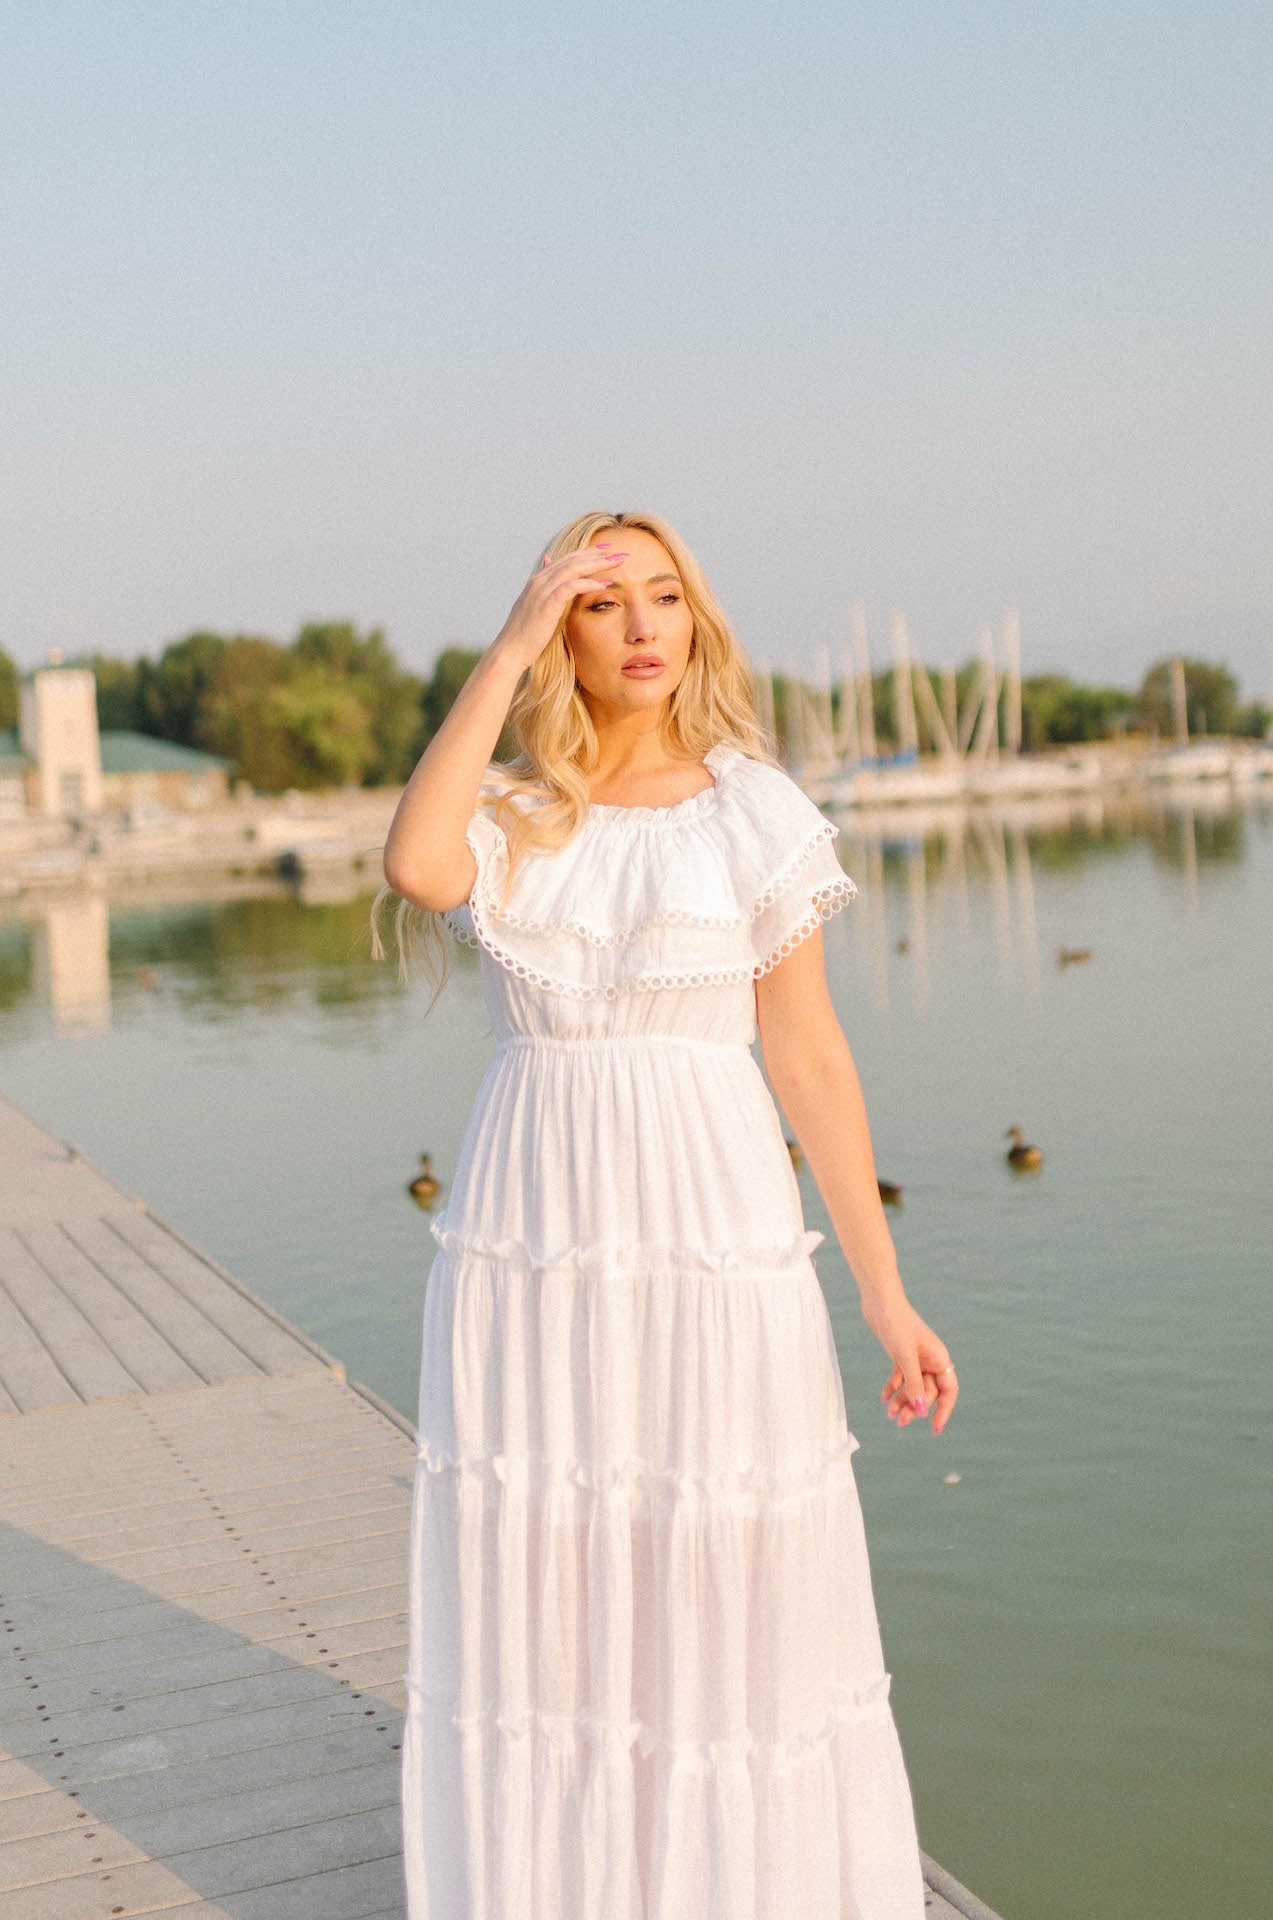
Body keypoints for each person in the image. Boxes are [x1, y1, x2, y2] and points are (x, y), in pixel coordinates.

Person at [373, 509, 959, 1919]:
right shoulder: (515, 816)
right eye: (597, 604)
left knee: (721, 1545)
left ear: (694, 620)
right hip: (539, 1233)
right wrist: (505, 642)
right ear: (557, 634)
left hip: (711, 1226)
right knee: (555, 1553)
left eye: (662, 597)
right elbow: (412, 867)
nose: (640, 626)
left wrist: (884, 1293)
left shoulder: (752, 807)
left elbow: (809, 1058)